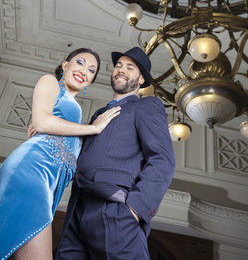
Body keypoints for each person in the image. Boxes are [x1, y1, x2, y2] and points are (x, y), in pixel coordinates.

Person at [0, 48, 121, 260]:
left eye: (91, 70)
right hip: (33, 172)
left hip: (48, 183)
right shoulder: (50, 82)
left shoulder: (75, 114)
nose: (84, 70)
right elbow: (41, 122)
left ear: (91, 80)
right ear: (65, 65)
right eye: (80, 62)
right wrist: (93, 128)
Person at [56, 46, 176, 260]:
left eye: (130, 68)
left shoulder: (147, 106)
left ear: (141, 80)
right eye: (119, 65)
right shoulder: (98, 115)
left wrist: (135, 209)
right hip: (77, 208)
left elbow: (162, 160)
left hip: (114, 210)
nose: (121, 70)